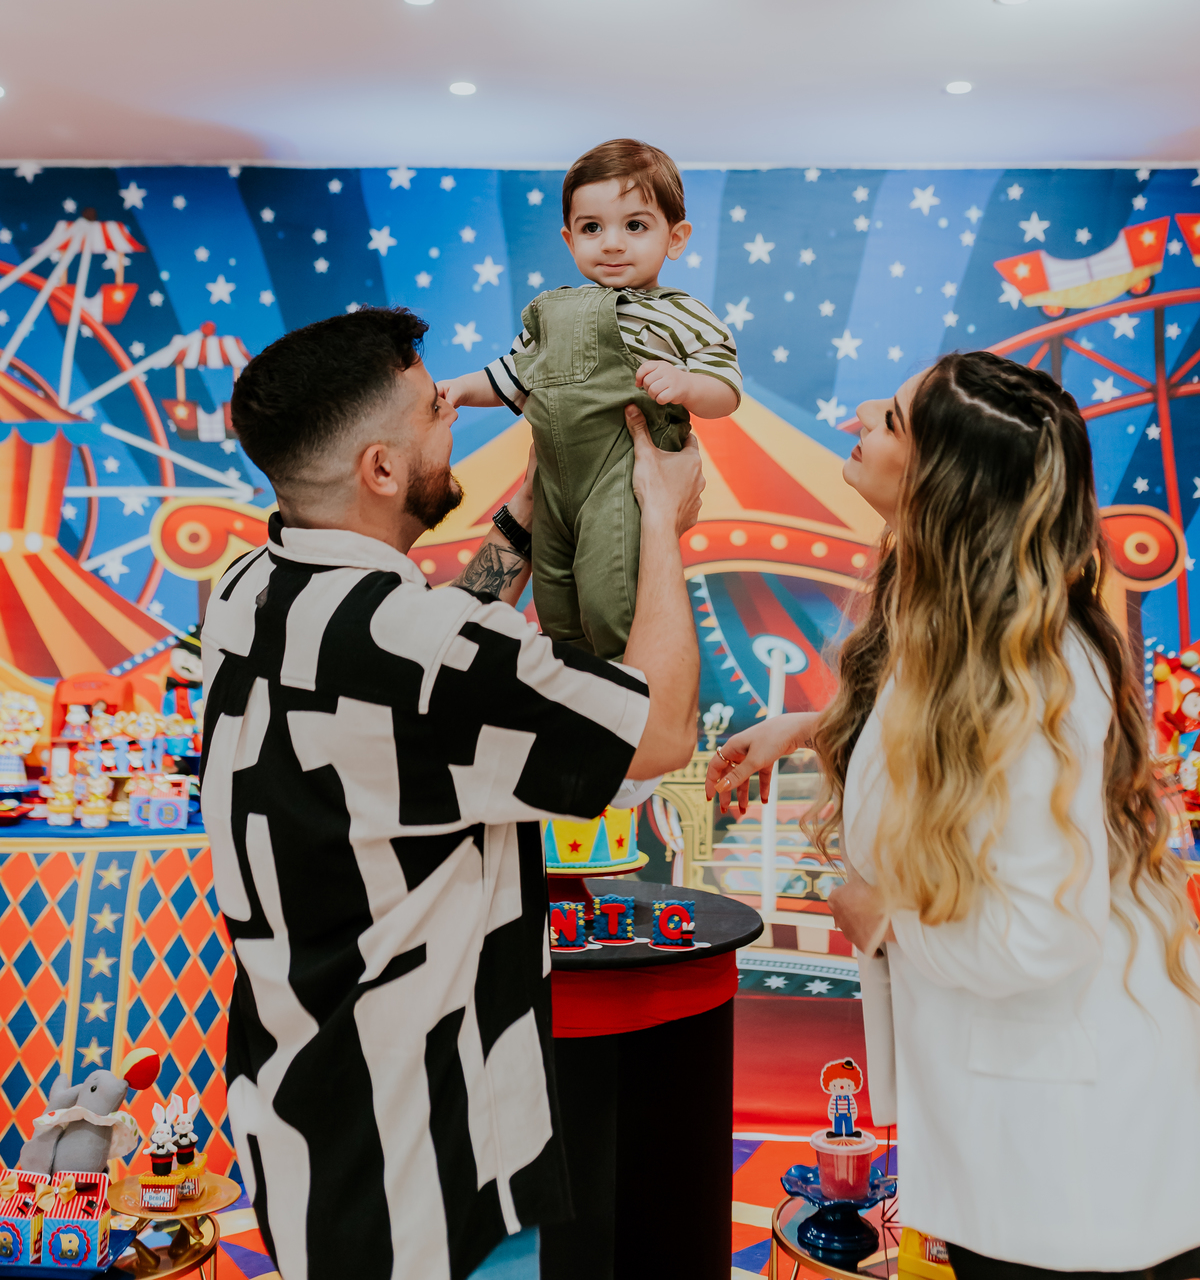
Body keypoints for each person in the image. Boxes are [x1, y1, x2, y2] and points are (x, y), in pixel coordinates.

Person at [199, 307, 703, 1280]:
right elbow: (659, 732)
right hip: (422, 1162)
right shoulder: (420, 651)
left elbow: (426, 673)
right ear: (381, 470)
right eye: (435, 410)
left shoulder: (246, 589)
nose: (456, 419)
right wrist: (656, 518)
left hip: (300, 1120)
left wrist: (523, 520)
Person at [707, 351, 1200, 1280]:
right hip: (1038, 1144)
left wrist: (885, 918)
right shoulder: (967, 627)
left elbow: (1041, 936)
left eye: (890, 418)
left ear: (943, 481)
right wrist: (812, 726)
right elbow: (947, 746)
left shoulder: (1036, 673)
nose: (858, 415)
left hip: (1073, 1165)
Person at [440, 138, 741, 659]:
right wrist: (464, 388)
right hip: (554, 485)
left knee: (613, 591)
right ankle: (576, 672)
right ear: (569, 238)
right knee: (556, 597)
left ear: (676, 238)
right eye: (592, 228)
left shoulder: (681, 313)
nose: (612, 243)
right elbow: (512, 377)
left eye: (636, 226)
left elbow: (726, 389)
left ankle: (631, 674)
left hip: (620, 479)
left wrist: (687, 384)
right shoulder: (549, 313)